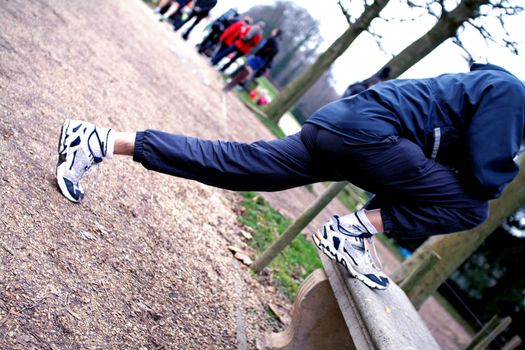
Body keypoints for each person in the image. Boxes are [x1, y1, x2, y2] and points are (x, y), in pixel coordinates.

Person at [55, 63, 525, 290]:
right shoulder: (509, 93)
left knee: (234, 165)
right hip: (369, 134)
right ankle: (349, 232)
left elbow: (424, 174)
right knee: (473, 205)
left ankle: (97, 140)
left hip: (344, 125)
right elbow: (486, 174)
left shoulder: (489, 90)